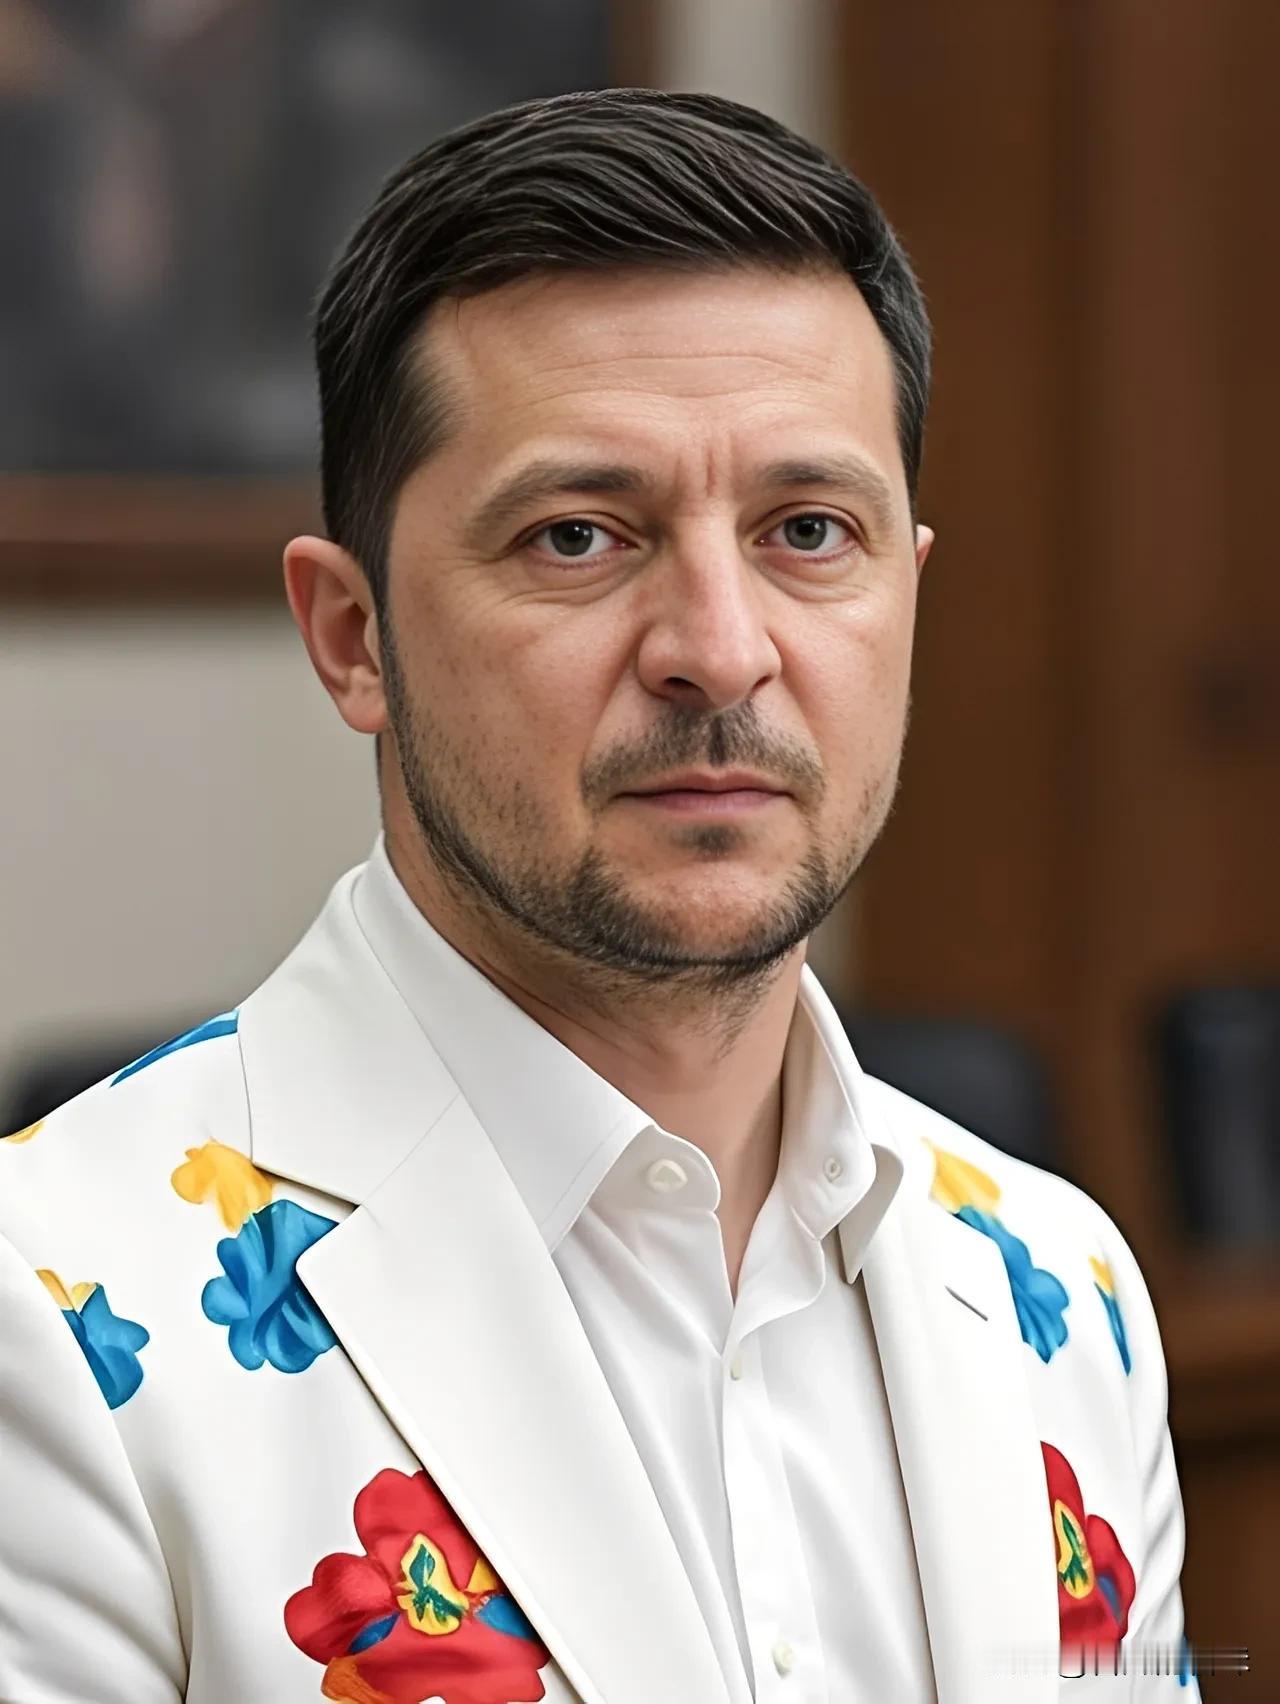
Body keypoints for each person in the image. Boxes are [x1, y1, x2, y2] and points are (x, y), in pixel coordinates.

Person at [0, 89, 1197, 1703]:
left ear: (908, 595)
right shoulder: (43, 1318)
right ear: (353, 637)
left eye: (808, 530)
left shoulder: (1065, 1288)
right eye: (577, 537)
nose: (721, 648)